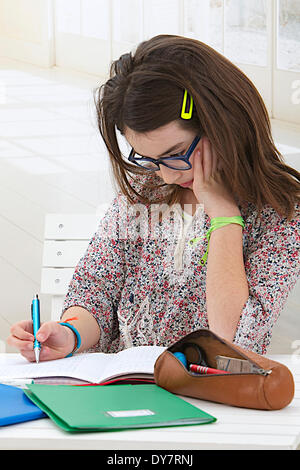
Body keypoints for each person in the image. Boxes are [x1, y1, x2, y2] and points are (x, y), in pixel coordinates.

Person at [7, 34, 300, 361]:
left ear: (222, 121)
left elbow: (233, 341)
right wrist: (70, 334)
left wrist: (224, 217)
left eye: (176, 154)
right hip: (124, 389)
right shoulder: (146, 191)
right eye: (151, 159)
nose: (167, 175)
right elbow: (95, 290)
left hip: (210, 399)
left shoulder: (282, 214)